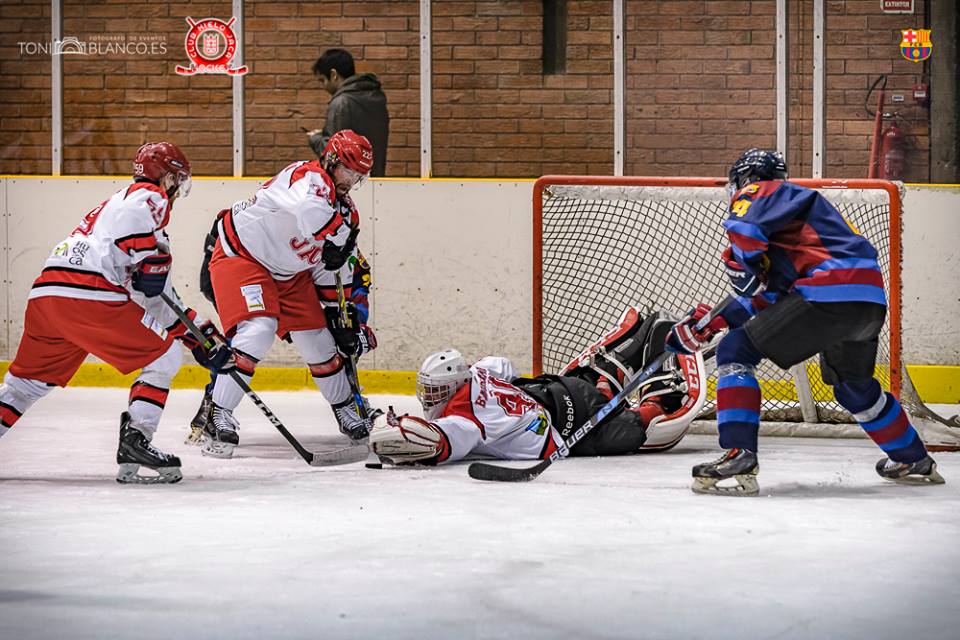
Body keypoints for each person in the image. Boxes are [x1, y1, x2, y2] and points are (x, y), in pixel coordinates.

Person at [666, 148, 945, 496]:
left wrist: (741, 270)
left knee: (736, 349)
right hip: (866, 301)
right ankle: (912, 459)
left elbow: (744, 234)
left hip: (827, 293)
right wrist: (709, 323)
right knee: (853, 387)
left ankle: (739, 455)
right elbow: (769, 298)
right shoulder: (796, 217)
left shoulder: (758, 191)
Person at [0, 142, 232, 484]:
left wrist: (198, 334)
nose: (177, 192)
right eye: (177, 181)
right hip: (87, 295)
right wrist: (194, 336)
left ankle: (135, 444)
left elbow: (151, 291)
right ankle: (136, 440)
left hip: (47, 294)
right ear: (166, 177)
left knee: (24, 387)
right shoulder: (149, 199)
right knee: (164, 355)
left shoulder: (113, 204)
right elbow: (152, 283)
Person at [200, 130, 377, 459]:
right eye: (347, 171)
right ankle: (217, 413)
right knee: (258, 329)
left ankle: (345, 409)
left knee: (320, 339)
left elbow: (331, 268)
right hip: (242, 256)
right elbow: (312, 215)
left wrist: (339, 318)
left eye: (358, 176)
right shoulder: (308, 178)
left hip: (289, 274)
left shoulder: (345, 215)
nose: (350, 181)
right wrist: (337, 239)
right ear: (331, 161)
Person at [369, 308, 707, 465]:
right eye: (428, 392)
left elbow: (437, 442)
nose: (431, 399)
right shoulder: (480, 372)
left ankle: (662, 393)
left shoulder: (463, 422)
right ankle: (649, 334)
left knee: (645, 427)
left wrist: (395, 430)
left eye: (436, 392)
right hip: (558, 391)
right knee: (596, 385)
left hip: (572, 431)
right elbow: (504, 366)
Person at [306, 48, 389, 177]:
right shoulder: (376, 98)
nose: (323, 86)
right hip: (375, 180)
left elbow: (333, 155)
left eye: (322, 80)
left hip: (348, 183)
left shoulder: (341, 103)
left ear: (333, 75)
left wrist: (315, 138)